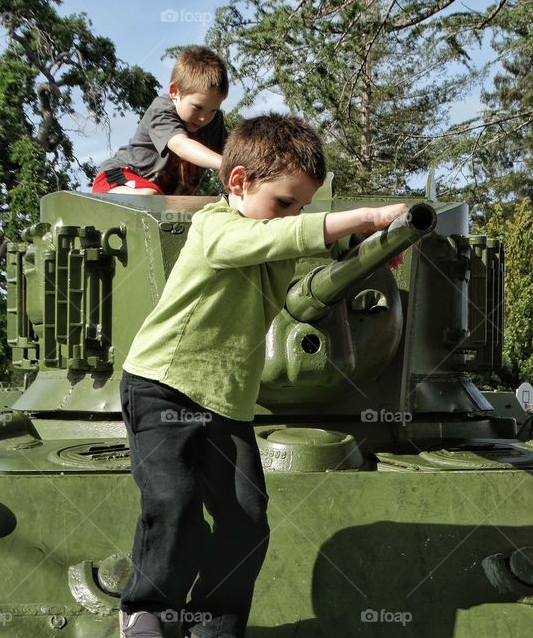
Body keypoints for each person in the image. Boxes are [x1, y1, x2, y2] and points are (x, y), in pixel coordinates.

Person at [117, 113, 408, 638]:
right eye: (283, 202)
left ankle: (212, 626)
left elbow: (315, 245)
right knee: (174, 502)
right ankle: (145, 610)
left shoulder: (274, 230)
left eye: (300, 206)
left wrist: (374, 249)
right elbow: (284, 239)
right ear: (237, 182)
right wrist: (362, 215)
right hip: (162, 384)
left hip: (227, 403)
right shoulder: (215, 227)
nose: (291, 216)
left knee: (246, 522)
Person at [92, 46, 228, 196]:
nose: (204, 118)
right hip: (120, 176)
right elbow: (181, 145)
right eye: (197, 107)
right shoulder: (163, 109)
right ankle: (107, 199)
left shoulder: (214, 122)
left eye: (213, 111)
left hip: (163, 199)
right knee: (151, 195)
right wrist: (227, 164)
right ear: (175, 92)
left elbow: (235, 155)